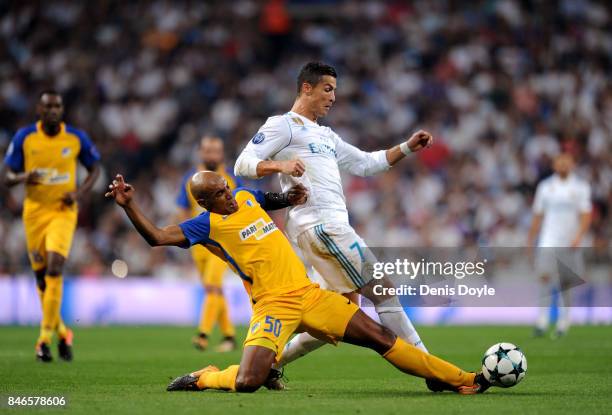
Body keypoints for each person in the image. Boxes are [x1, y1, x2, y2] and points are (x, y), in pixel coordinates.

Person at [105, 171, 489, 394]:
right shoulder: (205, 225)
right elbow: (156, 237)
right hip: (272, 305)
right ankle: (205, 377)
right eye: (219, 194)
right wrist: (129, 207)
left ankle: (461, 379)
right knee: (248, 381)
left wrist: (288, 196)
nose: (229, 194)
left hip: (309, 295)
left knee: (381, 338)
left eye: (226, 186)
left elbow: (265, 198)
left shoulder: (244, 197)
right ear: (206, 203)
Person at [234, 62, 433, 371]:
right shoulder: (283, 125)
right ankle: (430, 366)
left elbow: (367, 164)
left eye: (335, 91)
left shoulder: (325, 135)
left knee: (340, 315)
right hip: (321, 224)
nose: (333, 97)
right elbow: (243, 163)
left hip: (325, 227)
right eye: (327, 89)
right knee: (383, 289)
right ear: (306, 88)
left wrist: (407, 147)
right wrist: (280, 166)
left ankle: (272, 361)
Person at [1, 90, 101, 362]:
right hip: (34, 213)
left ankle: (43, 338)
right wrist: (24, 176)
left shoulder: (76, 138)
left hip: (63, 211)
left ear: (62, 110)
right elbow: (6, 176)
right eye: (49, 107)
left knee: (56, 266)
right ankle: (62, 332)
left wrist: (79, 194)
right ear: (39, 110)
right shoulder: (25, 137)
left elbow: (95, 169)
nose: (54, 111)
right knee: (41, 279)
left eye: (58, 106)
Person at [175, 135, 242, 352]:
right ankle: (229, 336)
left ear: (221, 154)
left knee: (213, 286)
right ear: (201, 153)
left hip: (221, 242)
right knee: (215, 290)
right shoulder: (189, 179)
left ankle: (202, 334)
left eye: (215, 151)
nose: (212, 155)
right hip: (198, 245)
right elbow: (183, 211)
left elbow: (239, 210)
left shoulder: (231, 180)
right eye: (208, 150)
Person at [527, 153, 591, 338]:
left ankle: (564, 322)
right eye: (560, 161)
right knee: (544, 279)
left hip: (570, 243)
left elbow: (586, 215)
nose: (563, 164)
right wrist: (531, 238)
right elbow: (538, 215)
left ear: (572, 164)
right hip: (548, 240)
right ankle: (542, 321)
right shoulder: (546, 187)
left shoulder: (580, 187)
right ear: (555, 165)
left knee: (566, 284)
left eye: (566, 160)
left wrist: (579, 237)